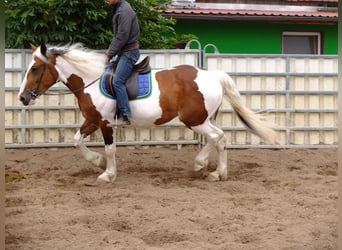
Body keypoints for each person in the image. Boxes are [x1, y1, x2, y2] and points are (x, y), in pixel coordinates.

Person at [105, 0, 140, 125]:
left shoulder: (123, 11)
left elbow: (122, 36)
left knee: (117, 81)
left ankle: (125, 114)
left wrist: (109, 54)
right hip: (124, 52)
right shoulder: (118, 7)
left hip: (129, 53)